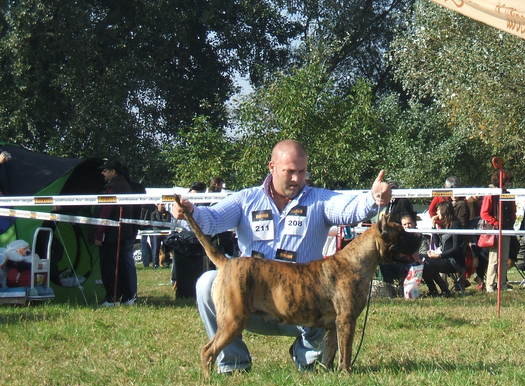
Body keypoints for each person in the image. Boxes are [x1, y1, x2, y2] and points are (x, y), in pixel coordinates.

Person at [171, 140, 391, 373]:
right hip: (251, 299)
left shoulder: (319, 200)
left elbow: (349, 208)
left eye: (302, 172)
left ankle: (307, 359)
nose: (297, 179)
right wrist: (190, 212)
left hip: (304, 307)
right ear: (272, 167)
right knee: (207, 283)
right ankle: (233, 364)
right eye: (290, 172)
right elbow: (212, 220)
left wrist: (373, 198)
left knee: (327, 302)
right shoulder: (246, 199)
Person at [94, 159, 138, 306]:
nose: (102, 173)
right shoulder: (126, 185)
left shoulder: (113, 187)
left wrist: (99, 234)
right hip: (126, 232)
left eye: (105, 170)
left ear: (113, 172)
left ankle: (112, 298)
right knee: (125, 265)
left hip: (113, 234)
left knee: (110, 267)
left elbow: (106, 211)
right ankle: (128, 297)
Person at [420, 200, 466, 297]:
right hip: (444, 258)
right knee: (421, 260)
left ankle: (443, 290)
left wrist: (439, 255)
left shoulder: (455, 225)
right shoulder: (446, 225)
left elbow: (456, 248)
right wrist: (433, 227)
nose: (436, 213)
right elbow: (437, 244)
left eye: (438, 210)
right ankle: (435, 290)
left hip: (454, 261)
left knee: (427, 264)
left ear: (443, 210)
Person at [480, 172, 516, 292]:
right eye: (507, 181)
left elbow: (513, 211)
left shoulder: (508, 195)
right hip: (495, 231)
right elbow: (484, 213)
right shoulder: (490, 195)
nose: (509, 184)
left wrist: (511, 221)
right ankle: (490, 285)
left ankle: (502, 284)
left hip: (506, 230)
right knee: (494, 259)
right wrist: (496, 223)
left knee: (504, 259)